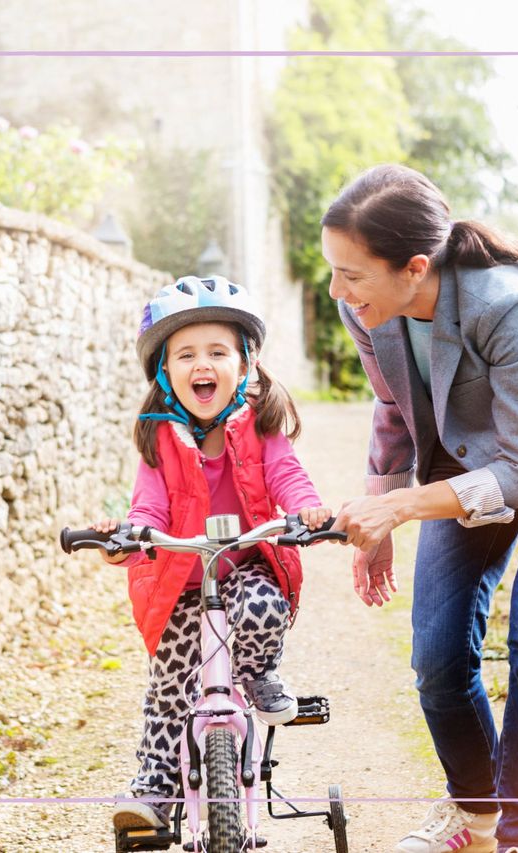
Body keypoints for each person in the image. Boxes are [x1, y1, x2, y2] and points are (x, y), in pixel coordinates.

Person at [323, 165, 518, 853]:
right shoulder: (369, 309)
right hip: (468, 459)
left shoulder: (506, 302)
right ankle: (476, 811)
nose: (337, 290)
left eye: (351, 273)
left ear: (414, 267)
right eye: (334, 271)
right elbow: (393, 409)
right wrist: (379, 515)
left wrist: (406, 506)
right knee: (437, 657)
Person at [89, 275, 331, 836]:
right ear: (167, 373)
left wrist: (308, 510)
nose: (204, 364)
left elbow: (286, 475)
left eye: (218, 352)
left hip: (246, 564)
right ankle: (155, 788)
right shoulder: (159, 441)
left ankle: (259, 674)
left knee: (264, 607)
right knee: (169, 688)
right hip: (180, 579)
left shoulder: (262, 427)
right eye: (187, 354)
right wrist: (127, 539)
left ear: (244, 366)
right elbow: (148, 508)